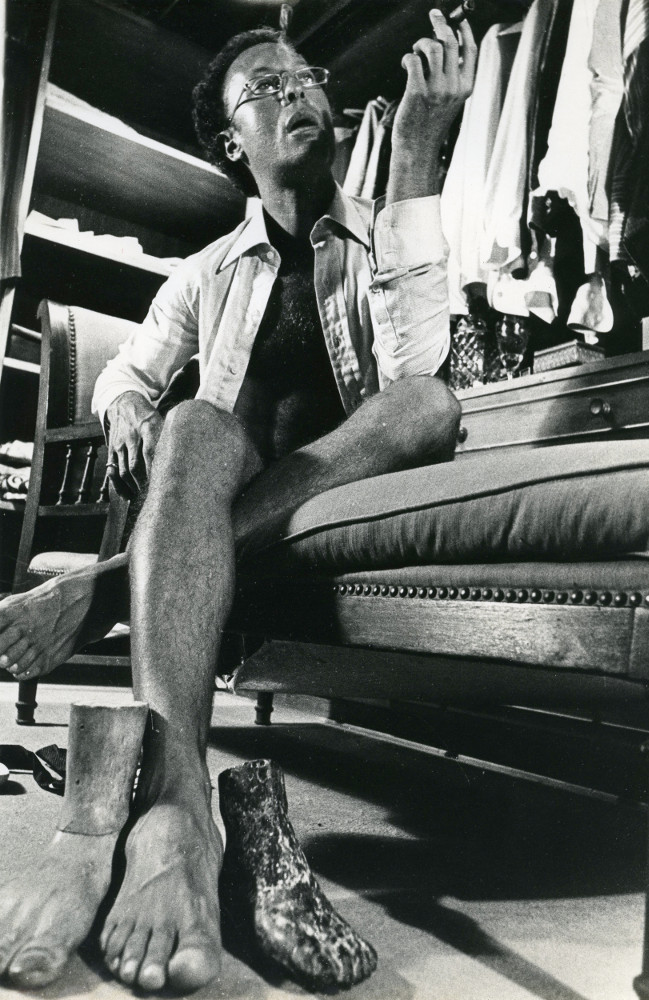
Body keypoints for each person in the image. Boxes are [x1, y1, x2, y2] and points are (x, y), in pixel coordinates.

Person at [0, 12, 477, 992]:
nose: (296, 90)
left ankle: (104, 588)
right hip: (222, 487)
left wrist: (416, 158)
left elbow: (416, 376)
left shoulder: (390, 233)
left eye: (306, 76)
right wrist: (126, 405)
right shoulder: (203, 272)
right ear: (230, 142)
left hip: (344, 482)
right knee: (192, 421)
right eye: (266, 86)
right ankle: (178, 806)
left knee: (428, 401)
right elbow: (126, 372)